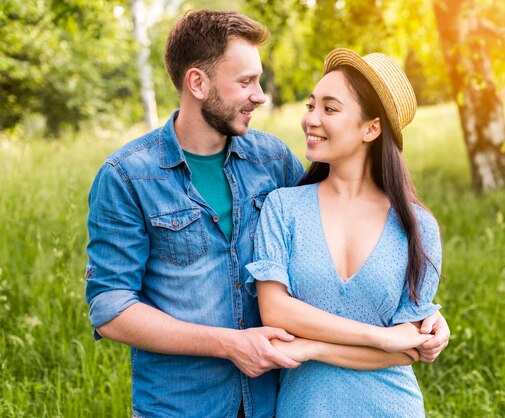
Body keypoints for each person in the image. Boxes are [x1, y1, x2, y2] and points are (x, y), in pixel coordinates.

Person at [85, 9, 449, 418]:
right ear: (198, 83)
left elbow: (336, 222)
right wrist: (229, 343)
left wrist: (427, 321)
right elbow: (111, 308)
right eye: (246, 82)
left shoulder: (272, 160)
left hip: (268, 401)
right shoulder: (127, 176)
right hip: (182, 405)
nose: (260, 95)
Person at [245, 48, 444, 417]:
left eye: (329, 109)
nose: (310, 120)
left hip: (391, 406)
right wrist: (379, 337)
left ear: (371, 127)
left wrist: (312, 348)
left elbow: (407, 349)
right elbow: (274, 309)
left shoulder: (417, 227)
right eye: (310, 105)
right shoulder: (283, 207)